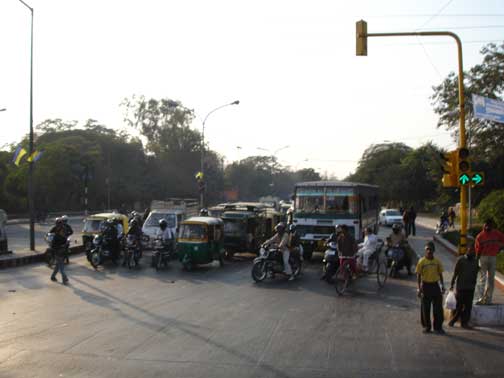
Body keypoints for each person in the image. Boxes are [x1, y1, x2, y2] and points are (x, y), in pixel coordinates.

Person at [416, 242, 445, 334]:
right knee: (425, 308)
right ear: (425, 250)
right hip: (425, 286)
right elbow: (418, 275)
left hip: (435, 286)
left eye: (430, 249)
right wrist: (419, 288)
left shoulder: (437, 262)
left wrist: (442, 286)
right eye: (427, 249)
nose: (429, 251)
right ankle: (427, 327)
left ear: (433, 251)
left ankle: (438, 327)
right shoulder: (421, 261)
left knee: (438, 308)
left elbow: (440, 274)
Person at [449, 242, 479, 328]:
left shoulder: (476, 261)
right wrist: (452, 284)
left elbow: (477, 272)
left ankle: (464, 323)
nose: (471, 252)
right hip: (461, 287)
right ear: (467, 251)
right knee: (459, 306)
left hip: (471, 288)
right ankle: (453, 320)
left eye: (473, 251)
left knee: (468, 307)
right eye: (470, 250)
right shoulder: (461, 260)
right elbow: (455, 273)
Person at [474, 219, 504, 305]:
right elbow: (477, 250)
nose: (487, 227)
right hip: (482, 258)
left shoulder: (496, 233)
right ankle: (480, 298)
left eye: (489, 225)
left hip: (492, 257)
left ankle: (488, 299)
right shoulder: (480, 236)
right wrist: (477, 261)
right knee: (482, 278)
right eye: (486, 225)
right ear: (484, 225)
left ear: (492, 225)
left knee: (491, 280)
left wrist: (499, 248)